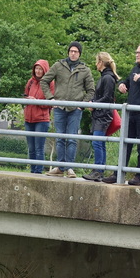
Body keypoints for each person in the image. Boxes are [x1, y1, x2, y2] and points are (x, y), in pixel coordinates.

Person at [102, 43, 140, 186]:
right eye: (136, 52)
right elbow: (129, 81)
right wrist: (123, 85)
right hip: (131, 113)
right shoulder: (136, 68)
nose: (136, 54)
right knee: (125, 144)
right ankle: (118, 174)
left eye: (139, 52)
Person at [41, 42, 95, 177]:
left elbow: (91, 90)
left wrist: (81, 104)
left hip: (75, 109)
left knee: (71, 138)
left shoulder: (85, 70)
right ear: (68, 52)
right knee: (60, 138)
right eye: (71, 51)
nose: (73, 53)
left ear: (79, 53)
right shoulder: (58, 66)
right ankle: (60, 167)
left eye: (76, 51)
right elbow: (44, 81)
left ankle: (70, 167)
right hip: (59, 107)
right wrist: (50, 99)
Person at [84, 52, 118, 181]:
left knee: (97, 142)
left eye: (96, 61)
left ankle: (98, 170)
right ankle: (99, 170)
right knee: (99, 143)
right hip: (101, 114)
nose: (95, 64)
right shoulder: (106, 77)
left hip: (103, 115)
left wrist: (94, 104)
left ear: (101, 63)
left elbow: (107, 98)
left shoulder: (107, 78)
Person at [24, 60, 53, 175]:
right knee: (31, 148)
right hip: (29, 119)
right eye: (36, 68)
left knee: (39, 148)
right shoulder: (30, 82)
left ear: (45, 70)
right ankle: (32, 171)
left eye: (40, 69)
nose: (38, 71)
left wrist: (36, 102)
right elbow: (26, 95)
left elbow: (50, 102)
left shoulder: (50, 83)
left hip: (41, 120)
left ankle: (38, 172)